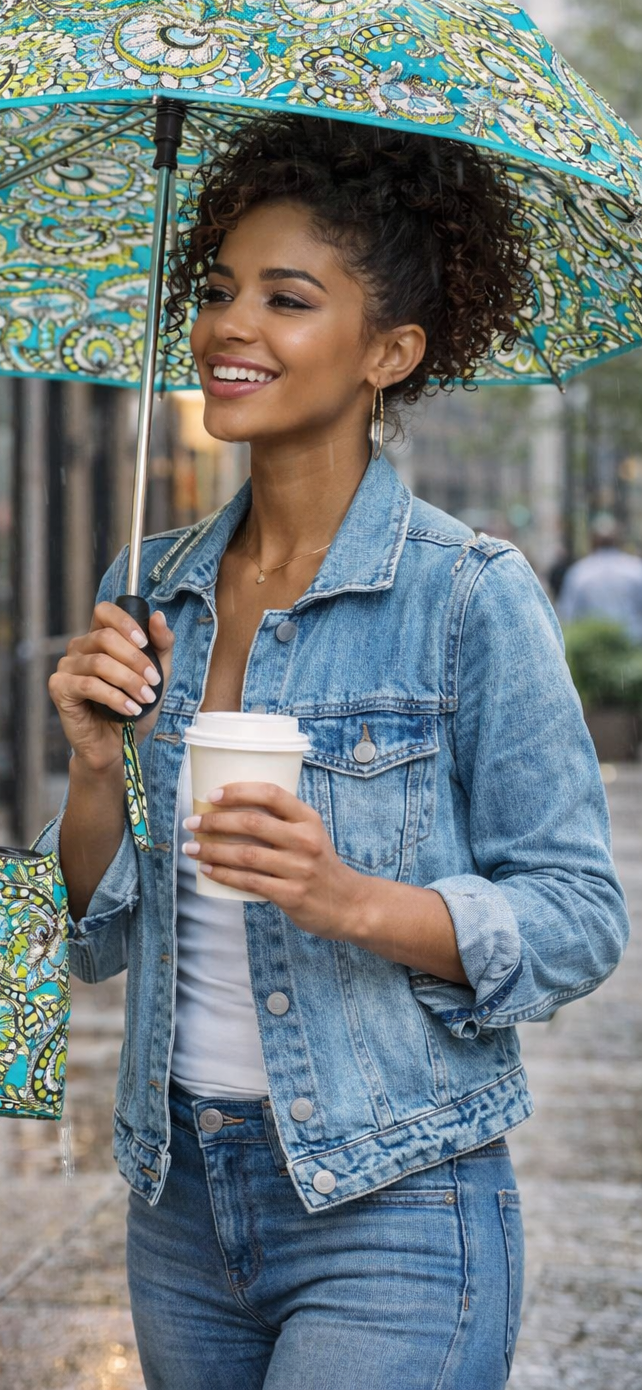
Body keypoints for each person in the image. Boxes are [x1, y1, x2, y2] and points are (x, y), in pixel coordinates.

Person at [42, 116, 629, 1390]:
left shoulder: (466, 595)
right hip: (177, 1201)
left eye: (286, 298)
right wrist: (92, 767)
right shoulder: (148, 588)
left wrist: (347, 898)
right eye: (217, 291)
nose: (229, 327)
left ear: (388, 352)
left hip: (396, 1203)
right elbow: (82, 935)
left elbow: (580, 915)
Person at [558, 512, 642, 643]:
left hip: (592, 647)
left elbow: (568, 615)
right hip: (634, 644)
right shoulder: (636, 569)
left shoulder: (579, 573)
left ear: (592, 541)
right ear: (618, 541)